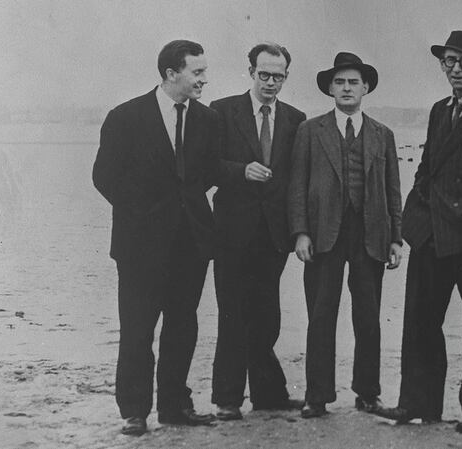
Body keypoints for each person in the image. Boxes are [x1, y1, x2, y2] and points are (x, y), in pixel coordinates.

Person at [374, 30, 462, 432]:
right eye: (449, 61)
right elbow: (428, 167)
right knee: (419, 321)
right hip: (431, 234)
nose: (455, 69)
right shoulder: (440, 109)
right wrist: (414, 217)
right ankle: (418, 404)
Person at [92, 40, 220, 436]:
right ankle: (134, 411)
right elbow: (105, 177)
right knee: (137, 329)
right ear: (171, 73)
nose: (204, 79)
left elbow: (206, 174)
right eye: (197, 72)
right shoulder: (126, 117)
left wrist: (183, 212)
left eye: (204, 71)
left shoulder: (208, 120)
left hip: (191, 244)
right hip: (139, 247)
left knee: (182, 326)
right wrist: (147, 216)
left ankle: (174, 406)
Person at [288, 52, 403, 419]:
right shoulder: (310, 131)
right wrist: (301, 233)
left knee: (368, 318)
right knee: (321, 315)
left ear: (365, 87)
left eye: (354, 82)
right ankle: (317, 395)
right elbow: (296, 185)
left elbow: (393, 189)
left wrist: (396, 238)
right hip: (324, 235)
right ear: (330, 89)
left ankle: (368, 393)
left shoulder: (383, 134)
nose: (347, 88)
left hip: (370, 235)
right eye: (339, 82)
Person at [208, 42, 306, 421]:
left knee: (267, 316)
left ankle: (268, 395)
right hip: (231, 232)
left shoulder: (295, 119)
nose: (270, 83)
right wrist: (241, 171)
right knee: (232, 314)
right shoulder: (221, 111)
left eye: (278, 77)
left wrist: (299, 230)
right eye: (263, 74)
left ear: (286, 77)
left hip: (273, 235)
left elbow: (297, 178)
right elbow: (207, 166)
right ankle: (227, 398)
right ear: (250, 72)